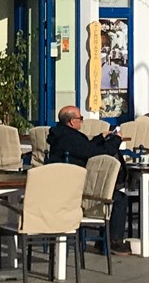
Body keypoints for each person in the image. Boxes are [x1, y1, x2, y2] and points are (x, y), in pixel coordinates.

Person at [45, 105, 129, 247]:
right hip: (76, 190)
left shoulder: (59, 135)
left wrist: (100, 137)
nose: (82, 121)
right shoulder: (72, 137)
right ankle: (113, 241)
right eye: (80, 118)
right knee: (119, 198)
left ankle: (107, 239)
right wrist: (116, 140)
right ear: (72, 121)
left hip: (62, 186)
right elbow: (97, 154)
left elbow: (84, 149)